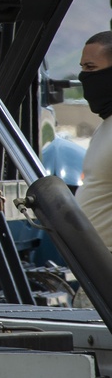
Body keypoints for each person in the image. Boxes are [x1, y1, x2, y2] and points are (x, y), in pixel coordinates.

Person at [75, 31, 112, 250]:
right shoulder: (105, 126)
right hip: (97, 267)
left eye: (90, 68)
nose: (83, 77)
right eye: (82, 68)